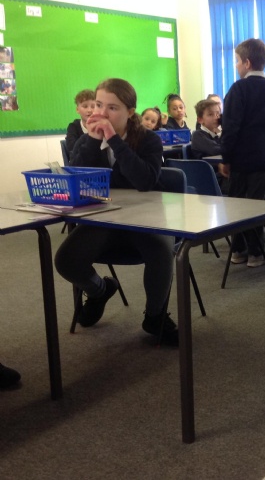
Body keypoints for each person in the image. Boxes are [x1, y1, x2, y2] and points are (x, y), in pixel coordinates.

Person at [55, 78, 178, 345]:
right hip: (104, 220)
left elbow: (144, 181)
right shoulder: (88, 138)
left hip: (145, 217)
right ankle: (99, 290)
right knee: (66, 260)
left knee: (161, 252)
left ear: (130, 112)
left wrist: (114, 140)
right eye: (98, 105)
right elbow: (76, 176)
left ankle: (155, 316)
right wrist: (92, 140)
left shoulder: (148, 140)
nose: (101, 112)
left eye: (112, 108)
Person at [220, 38, 265, 267]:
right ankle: (256, 253)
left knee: (236, 204)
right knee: (256, 205)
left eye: (237, 61)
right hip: (262, 159)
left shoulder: (237, 89)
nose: (236, 66)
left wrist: (225, 158)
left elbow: (230, 128)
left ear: (247, 63)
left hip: (238, 160)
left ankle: (238, 250)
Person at [65, 89, 96, 156]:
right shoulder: (73, 127)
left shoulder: (101, 126)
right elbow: (71, 147)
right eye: (85, 106)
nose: (89, 110)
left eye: (93, 107)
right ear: (77, 110)